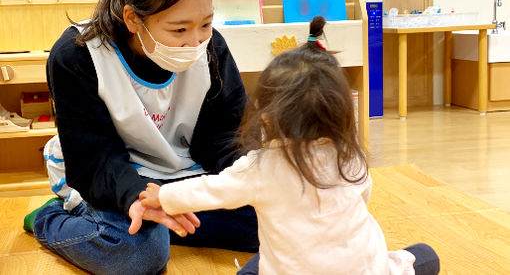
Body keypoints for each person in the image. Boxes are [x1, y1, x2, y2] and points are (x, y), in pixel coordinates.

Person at [137, 16, 441, 275]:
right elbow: (363, 197)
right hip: (366, 268)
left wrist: (163, 195)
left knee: (261, 261)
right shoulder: (350, 157)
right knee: (425, 255)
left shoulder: (261, 167)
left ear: (267, 120)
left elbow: (210, 189)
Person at [24, 0, 258, 275]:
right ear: (133, 18)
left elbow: (224, 136)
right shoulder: (78, 56)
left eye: (206, 24)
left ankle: (163, 226)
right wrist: (135, 196)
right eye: (179, 29)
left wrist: (254, 171)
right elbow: (95, 160)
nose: (196, 42)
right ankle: (53, 219)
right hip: (115, 179)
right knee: (139, 256)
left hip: (182, 175)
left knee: (278, 218)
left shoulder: (211, 47)